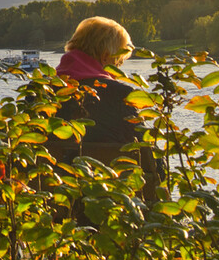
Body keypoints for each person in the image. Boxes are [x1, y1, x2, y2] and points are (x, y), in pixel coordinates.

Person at [54, 16, 161, 198]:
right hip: (111, 202)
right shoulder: (119, 95)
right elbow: (149, 155)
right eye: (118, 62)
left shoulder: (43, 91)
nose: (119, 68)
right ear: (105, 56)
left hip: (54, 201)